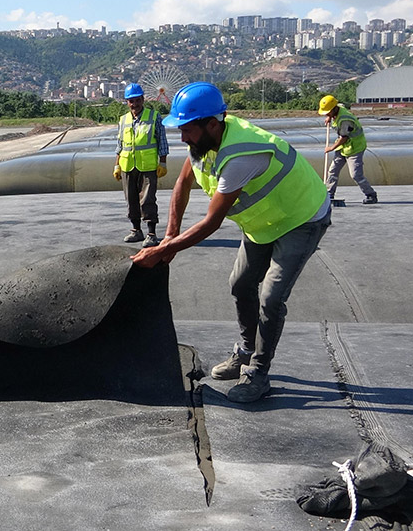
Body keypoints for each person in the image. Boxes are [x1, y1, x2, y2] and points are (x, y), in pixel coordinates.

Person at [132, 83, 330, 403]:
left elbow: (212, 222)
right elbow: (183, 183)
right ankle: (246, 349)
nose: (182, 138)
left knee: (271, 297)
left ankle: (258, 373)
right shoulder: (202, 143)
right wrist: (169, 234)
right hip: (263, 224)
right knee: (240, 284)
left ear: (212, 123)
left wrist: (165, 251)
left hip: (300, 219)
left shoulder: (241, 154)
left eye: (187, 130)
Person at [113, 83, 169, 247]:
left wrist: (163, 163)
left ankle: (151, 233)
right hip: (128, 166)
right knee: (131, 200)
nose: (134, 104)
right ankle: (136, 230)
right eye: (131, 101)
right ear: (127, 102)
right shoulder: (123, 120)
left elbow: (162, 142)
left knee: (147, 200)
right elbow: (120, 145)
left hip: (148, 166)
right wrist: (117, 165)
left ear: (143, 100)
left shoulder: (154, 116)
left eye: (137, 100)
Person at [319, 94, 377, 204]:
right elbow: (338, 107)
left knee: (355, 174)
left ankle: (370, 194)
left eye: (327, 112)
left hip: (354, 148)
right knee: (333, 171)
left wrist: (331, 148)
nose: (326, 114)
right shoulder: (338, 108)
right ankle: (329, 194)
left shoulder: (345, 120)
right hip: (343, 148)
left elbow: (344, 138)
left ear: (333, 109)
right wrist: (329, 117)